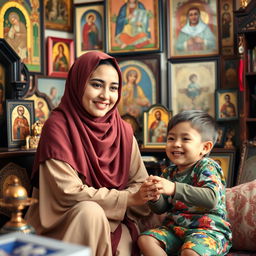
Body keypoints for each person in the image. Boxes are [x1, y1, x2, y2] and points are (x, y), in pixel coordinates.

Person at [25, 51, 151, 256]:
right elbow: (69, 193)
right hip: (64, 222)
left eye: (113, 88)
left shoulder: (123, 130)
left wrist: (144, 194)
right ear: (78, 83)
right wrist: (128, 199)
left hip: (114, 219)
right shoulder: (58, 127)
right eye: (96, 85)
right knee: (90, 213)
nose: (105, 96)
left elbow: (139, 182)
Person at [138, 110, 232, 256]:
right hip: (176, 230)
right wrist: (155, 197)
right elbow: (162, 208)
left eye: (185, 139)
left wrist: (174, 188)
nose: (176, 144)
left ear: (205, 147)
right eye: (171, 138)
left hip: (208, 231)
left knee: (190, 252)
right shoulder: (169, 172)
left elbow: (212, 198)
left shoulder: (207, 166)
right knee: (145, 240)